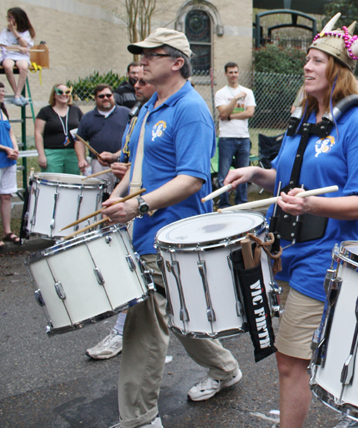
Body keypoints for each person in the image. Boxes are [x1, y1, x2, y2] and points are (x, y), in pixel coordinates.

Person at [223, 12, 358, 428]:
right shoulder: (303, 119)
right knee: (303, 353)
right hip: (286, 251)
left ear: (338, 70)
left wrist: (314, 207)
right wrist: (257, 175)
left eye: (316, 60)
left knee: (290, 359)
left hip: (325, 257)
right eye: (307, 59)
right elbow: (292, 178)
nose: (306, 66)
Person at [101, 28, 242, 428]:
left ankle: (140, 417)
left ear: (177, 61)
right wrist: (122, 193)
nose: (142, 62)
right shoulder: (151, 107)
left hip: (174, 233)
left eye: (152, 55)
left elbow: (193, 178)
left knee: (144, 325)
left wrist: (136, 205)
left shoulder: (190, 108)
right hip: (145, 227)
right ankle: (227, 369)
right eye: (141, 56)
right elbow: (139, 164)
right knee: (181, 314)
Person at [85, 76, 157, 361]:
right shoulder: (137, 115)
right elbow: (131, 158)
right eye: (135, 80)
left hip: (150, 209)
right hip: (132, 203)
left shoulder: (163, 113)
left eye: (143, 81)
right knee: (140, 282)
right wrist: (116, 161)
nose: (135, 86)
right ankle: (121, 331)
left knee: (148, 287)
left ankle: (120, 333)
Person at [214, 62, 256, 208]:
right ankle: (224, 204)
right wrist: (235, 99)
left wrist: (231, 116)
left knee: (243, 173)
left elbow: (250, 113)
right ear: (226, 74)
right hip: (227, 138)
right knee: (224, 174)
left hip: (243, 138)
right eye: (231, 72)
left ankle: (241, 203)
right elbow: (223, 113)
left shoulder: (248, 92)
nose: (234, 75)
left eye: (236, 72)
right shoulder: (221, 93)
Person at [75, 84, 130, 193]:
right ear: (95, 98)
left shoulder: (127, 113)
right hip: (99, 163)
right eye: (101, 96)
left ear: (113, 96)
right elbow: (79, 140)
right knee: (101, 194)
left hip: (122, 161)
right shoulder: (87, 117)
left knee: (122, 193)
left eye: (108, 95)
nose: (105, 98)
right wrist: (81, 159)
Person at [34, 84, 84, 174]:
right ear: (54, 95)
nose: (64, 94)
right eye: (60, 92)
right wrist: (41, 155)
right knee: (52, 181)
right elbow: (38, 134)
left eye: (67, 92)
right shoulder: (45, 111)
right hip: (52, 153)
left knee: (72, 182)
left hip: (73, 153)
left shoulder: (76, 110)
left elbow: (84, 129)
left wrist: (82, 157)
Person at [0, 7, 35, 106]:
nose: (8, 19)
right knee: (7, 66)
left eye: (10, 17)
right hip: (9, 55)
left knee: (23, 67)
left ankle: (17, 95)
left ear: (17, 18)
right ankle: (17, 94)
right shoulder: (5, 31)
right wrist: (17, 48)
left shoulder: (26, 31)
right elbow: (3, 46)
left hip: (22, 56)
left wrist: (14, 31)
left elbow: (24, 44)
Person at [0, 82, 19, 246]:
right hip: (2, 156)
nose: (1, 94)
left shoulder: (3, 110)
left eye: (2, 92)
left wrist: (15, 148)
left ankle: (7, 232)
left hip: (7, 160)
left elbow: (10, 132)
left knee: (6, 196)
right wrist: (5, 148)